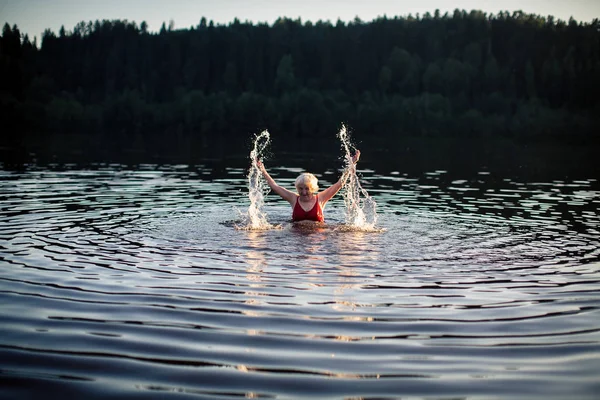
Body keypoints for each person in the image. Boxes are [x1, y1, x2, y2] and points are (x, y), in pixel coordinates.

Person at [256, 151, 360, 223]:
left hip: (317, 238)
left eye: (307, 189)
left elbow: (339, 184)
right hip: (295, 237)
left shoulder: (321, 199)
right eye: (301, 189)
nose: (304, 192)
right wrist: (263, 171)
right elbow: (275, 186)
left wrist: (351, 165)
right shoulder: (293, 198)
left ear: (313, 189)